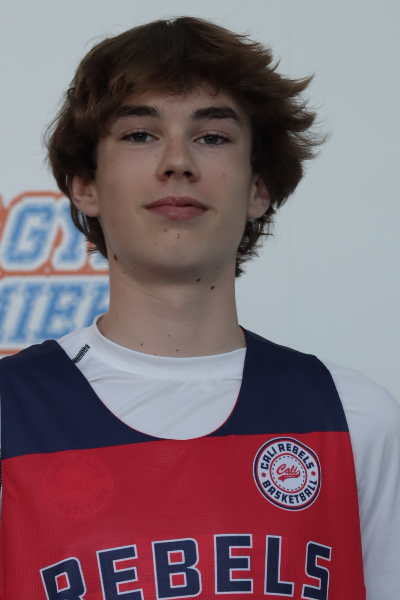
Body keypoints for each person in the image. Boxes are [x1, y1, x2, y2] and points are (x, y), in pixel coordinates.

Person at [0, 16, 399, 600]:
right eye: (140, 134)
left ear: (259, 187)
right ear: (85, 183)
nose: (177, 162)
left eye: (212, 136)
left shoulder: (353, 417)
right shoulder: (10, 413)